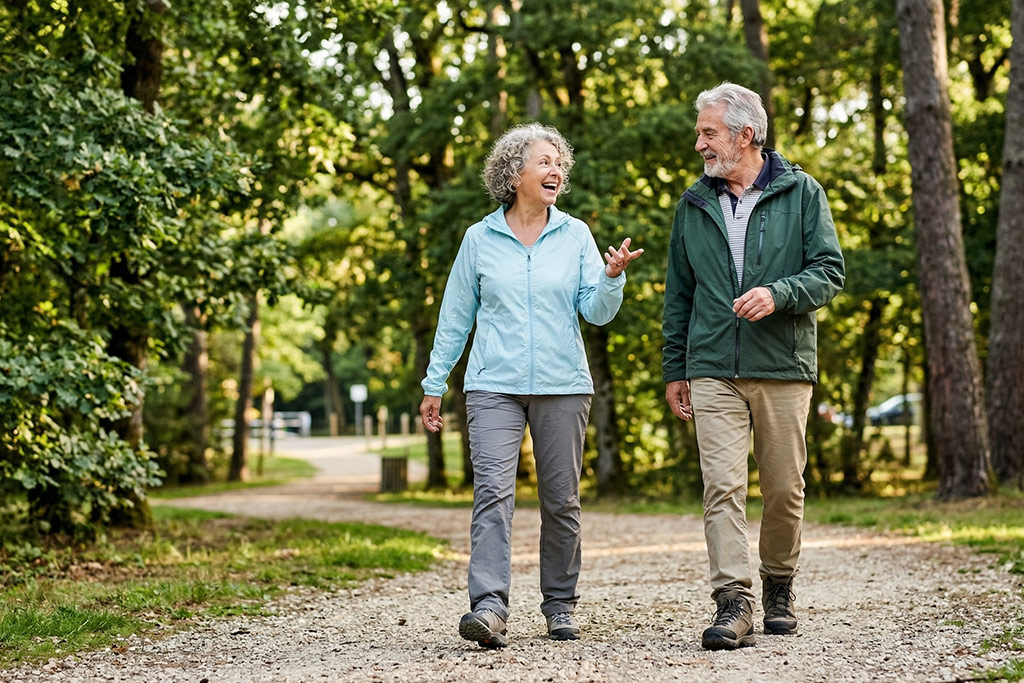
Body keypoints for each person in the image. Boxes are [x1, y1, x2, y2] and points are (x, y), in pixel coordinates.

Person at [419, 122, 642, 649]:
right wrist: (434, 382)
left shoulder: (576, 234)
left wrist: (612, 278)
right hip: (492, 384)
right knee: (492, 494)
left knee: (561, 499)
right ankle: (489, 606)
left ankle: (560, 604)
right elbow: (455, 317)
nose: (555, 171)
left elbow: (597, 312)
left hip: (563, 384)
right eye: (544, 162)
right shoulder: (479, 238)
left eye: (558, 163)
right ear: (513, 172)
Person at [662, 83, 845, 651]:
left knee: (785, 490)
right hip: (712, 365)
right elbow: (679, 295)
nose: (699, 144)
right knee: (722, 487)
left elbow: (829, 272)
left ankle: (779, 586)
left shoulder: (803, 193)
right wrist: (676, 369)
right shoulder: (693, 205)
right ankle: (732, 599)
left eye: (708, 132)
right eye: (699, 132)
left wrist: (780, 293)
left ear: (746, 135)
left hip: (783, 365)